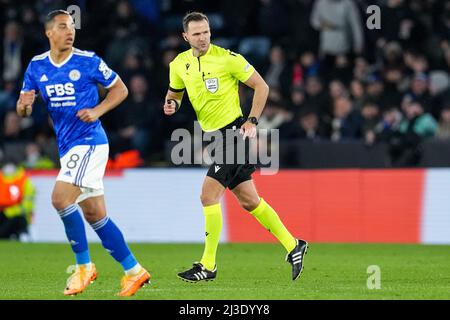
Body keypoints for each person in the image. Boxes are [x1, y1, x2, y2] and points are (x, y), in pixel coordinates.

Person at [163, 12, 308, 283]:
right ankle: (293, 245)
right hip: (212, 137)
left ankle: (208, 265)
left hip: (233, 134)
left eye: (206, 31)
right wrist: (172, 104)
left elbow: (261, 86)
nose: (203, 37)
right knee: (249, 201)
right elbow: (175, 93)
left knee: (208, 196)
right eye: (196, 33)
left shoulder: (227, 58)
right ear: (185, 37)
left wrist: (252, 120)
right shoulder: (178, 64)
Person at [16, 10, 149, 296]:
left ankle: (84, 266)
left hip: (90, 142)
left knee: (60, 199)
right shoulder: (37, 66)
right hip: (68, 147)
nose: (70, 31)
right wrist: (25, 105)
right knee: (94, 213)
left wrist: (98, 110)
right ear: (49, 32)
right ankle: (134, 270)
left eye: (72, 26)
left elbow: (120, 89)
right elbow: (22, 109)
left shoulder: (88, 61)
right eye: (63, 27)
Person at [0, 162, 35, 240]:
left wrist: (8, 211)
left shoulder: (24, 181)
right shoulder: (2, 179)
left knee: (19, 220)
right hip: (4, 215)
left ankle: (21, 235)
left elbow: (27, 206)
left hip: (18, 217)